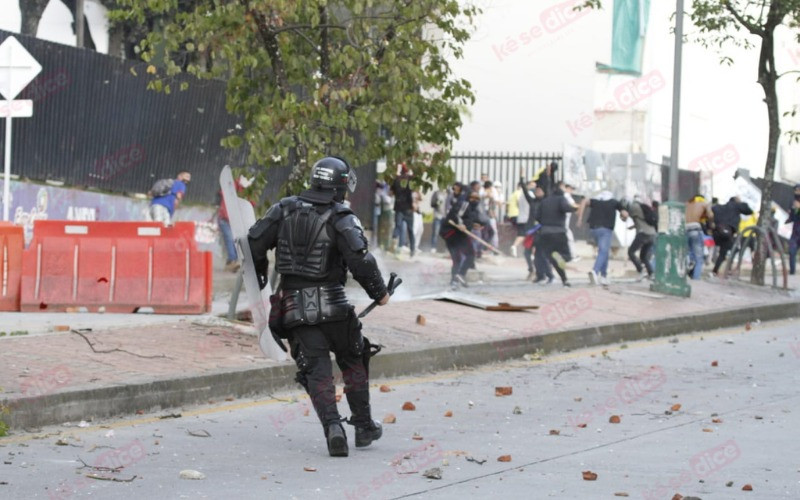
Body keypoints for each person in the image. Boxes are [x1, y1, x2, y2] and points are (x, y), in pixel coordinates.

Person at [247, 157, 389, 457]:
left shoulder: (283, 208)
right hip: (335, 307)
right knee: (353, 358)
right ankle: (363, 426)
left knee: (316, 370)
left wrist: (260, 275)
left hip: (294, 308)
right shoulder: (341, 216)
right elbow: (361, 261)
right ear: (340, 185)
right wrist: (380, 292)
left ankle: (333, 428)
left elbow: (253, 242)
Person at [577, 191, 628, 285]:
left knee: (604, 251)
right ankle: (595, 271)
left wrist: (580, 218)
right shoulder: (614, 202)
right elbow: (624, 214)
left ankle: (604, 276)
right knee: (603, 251)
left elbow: (584, 201)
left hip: (593, 230)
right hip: (605, 230)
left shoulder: (595, 201)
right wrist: (623, 217)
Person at [440, 189, 487, 289]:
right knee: (470, 254)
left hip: (456, 235)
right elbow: (455, 215)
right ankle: (460, 275)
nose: (474, 200)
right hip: (454, 233)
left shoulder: (472, 209)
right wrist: (461, 224)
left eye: (477, 198)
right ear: (468, 197)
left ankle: (454, 281)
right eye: (472, 198)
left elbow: (467, 219)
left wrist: (473, 225)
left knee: (457, 259)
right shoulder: (464, 204)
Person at [534, 185, 576, 286]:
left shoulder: (544, 201)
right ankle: (561, 258)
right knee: (567, 256)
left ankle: (564, 279)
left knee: (553, 259)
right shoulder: (561, 199)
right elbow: (566, 208)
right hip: (559, 232)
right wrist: (575, 208)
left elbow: (537, 216)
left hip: (545, 233)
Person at [218, 175, 254, 272]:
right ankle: (232, 261)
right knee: (230, 239)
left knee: (234, 240)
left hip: (234, 220)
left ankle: (231, 262)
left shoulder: (247, 191)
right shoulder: (233, 185)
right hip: (225, 219)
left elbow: (251, 203)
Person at [711, 196, 753, 276]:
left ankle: (717, 270)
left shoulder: (720, 207)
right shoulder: (735, 206)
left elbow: (712, 210)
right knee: (734, 249)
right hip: (727, 233)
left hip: (718, 233)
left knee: (723, 253)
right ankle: (725, 269)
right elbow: (749, 211)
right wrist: (741, 203)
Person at [626, 197, 657, 280]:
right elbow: (641, 220)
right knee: (643, 256)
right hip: (652, 234)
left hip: (643, 234)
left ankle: (641, 270)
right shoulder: (644, 208)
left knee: (630, 252)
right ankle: (651, 273)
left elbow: (626, 215)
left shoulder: (634, 207)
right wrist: (633, 227)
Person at [390, 165, 416, 257]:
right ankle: (412, 250)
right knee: (410, 230)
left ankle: (394, 240)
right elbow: (414, 192)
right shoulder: (410, 179)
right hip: (408, 208)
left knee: (397, 226)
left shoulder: (396, 180)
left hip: (398, 207)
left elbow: (391, 193)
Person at [430, 187, 448, 253]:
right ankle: (433, 247)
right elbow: (432, 204)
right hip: (438, 216)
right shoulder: (436, 193)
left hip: (446, 217)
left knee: (447, 233)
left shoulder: (448, 193)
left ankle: (447, 248)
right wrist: (437, 202)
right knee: (435, 232)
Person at [787, 198, 800, 275]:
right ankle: (792, 271)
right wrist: (792, 210)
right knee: (792, 252)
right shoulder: (794, 204)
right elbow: (791, 218)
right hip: (795, 234)